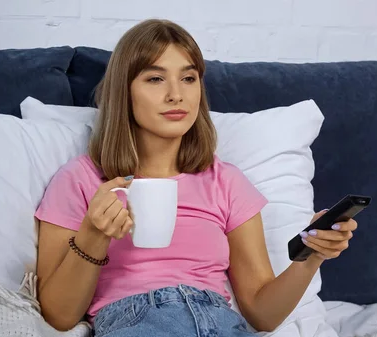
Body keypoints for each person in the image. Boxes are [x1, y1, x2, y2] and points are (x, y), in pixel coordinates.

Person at [34, 19, 357, 337]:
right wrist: (94, 234)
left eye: (188, 78)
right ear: (125, 92)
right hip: (135, 321)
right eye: (155, 79)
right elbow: (59, 316)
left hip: (219, 321)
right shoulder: (83, 180)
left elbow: (263, 315)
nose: (176, 94)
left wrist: (311, 257)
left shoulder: (226, 182)